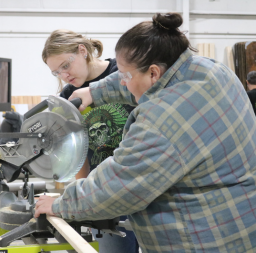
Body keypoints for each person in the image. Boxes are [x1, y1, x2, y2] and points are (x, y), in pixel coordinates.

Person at [35, 13, 256, 252]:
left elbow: (119, 185)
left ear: (153, 73)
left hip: (204, 239)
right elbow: (142, 83)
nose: (123, 82)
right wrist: (94, 92)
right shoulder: (208, 70)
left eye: (126, 76)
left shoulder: (162, 119)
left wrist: (61, 203)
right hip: (241, 222)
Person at [42, 29, 138, 253]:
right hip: (104, 195)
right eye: (57, 72)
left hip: (140, 184)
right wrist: (80, 198)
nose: (64, 75)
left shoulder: (120, 73)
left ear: (82, 51)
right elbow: (78, 151)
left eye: (66, 66)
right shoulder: (69, 96)